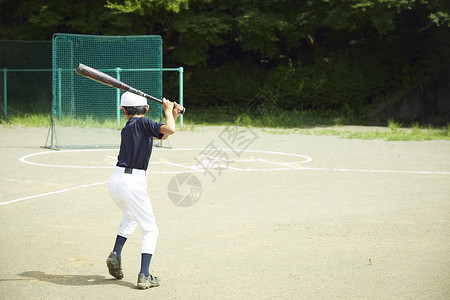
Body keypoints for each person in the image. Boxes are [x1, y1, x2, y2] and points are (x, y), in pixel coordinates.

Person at [106, 91, 183, 289]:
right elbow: (170, 131)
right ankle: (144, 275)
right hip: (133, 183)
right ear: (147, 109)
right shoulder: (143, 123)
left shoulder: (131, 127)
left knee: (131, 216)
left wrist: (173, 115)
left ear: (124, 111)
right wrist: (167, 110)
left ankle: (116, 253)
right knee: (151, 229)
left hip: (117, 180)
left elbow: (163, 135)